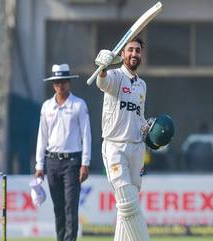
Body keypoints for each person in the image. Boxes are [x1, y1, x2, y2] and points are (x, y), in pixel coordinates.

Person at [94, 37, 151, 241]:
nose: (134, 54)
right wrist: (102, 67)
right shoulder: (115, 76)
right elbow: (103, 82)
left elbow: (139, 116)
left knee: (127, 207)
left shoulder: (142, 85)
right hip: (115, 147)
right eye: (130, 50)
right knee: (127, 201)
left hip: (136, 147)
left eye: (137, 50)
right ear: (123, 54)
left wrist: (148, 128)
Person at [34, 64, 91, 241]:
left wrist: (85, 163)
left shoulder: (78, 105)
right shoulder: (47, 107)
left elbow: (86, 134)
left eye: (64, 81)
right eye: (57, 82)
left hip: (72, 162)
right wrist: (39, 164)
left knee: (70, 207)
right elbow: (42, 137)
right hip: (52, 162)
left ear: (69, 83)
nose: (61, 85)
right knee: (58, 207)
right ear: (53, 84)